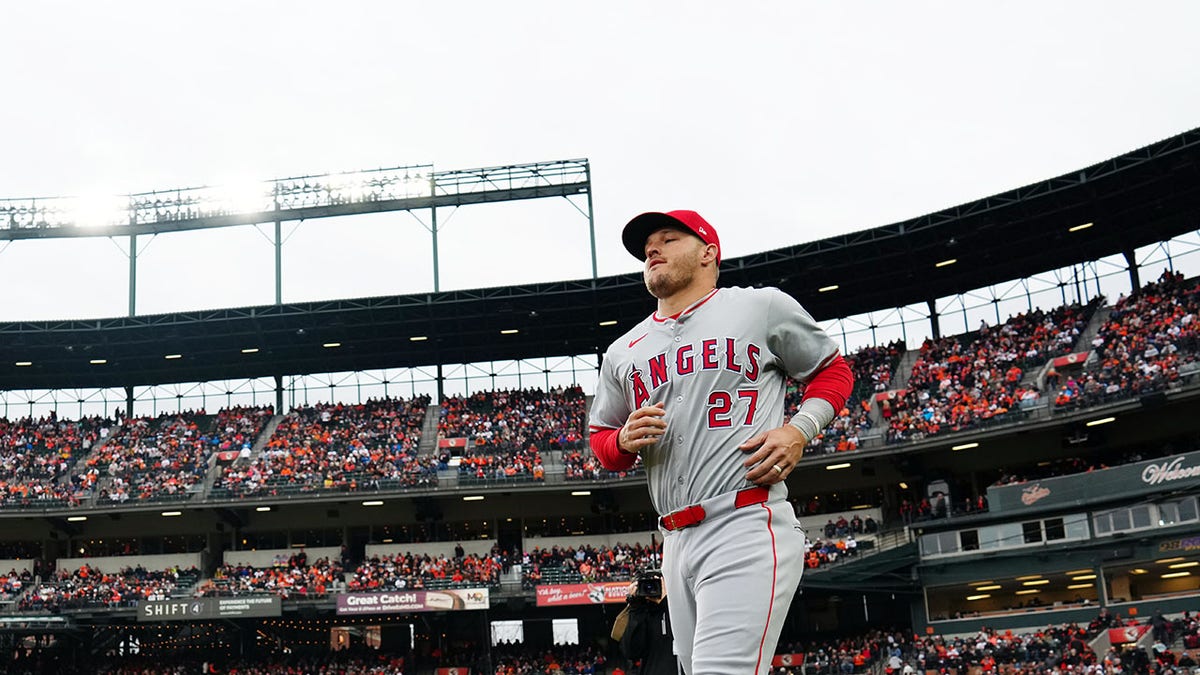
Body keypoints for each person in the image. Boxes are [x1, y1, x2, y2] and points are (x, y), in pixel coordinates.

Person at [590, 210, 854, 675]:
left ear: (709, 253)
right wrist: (624, 438)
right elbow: (602, 442)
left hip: (744, 520)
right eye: (647, 246)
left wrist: (799, 429)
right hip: (673, 539)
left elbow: (832, 370)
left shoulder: (759, 307)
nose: (652, 250)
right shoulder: (623, 350)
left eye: (668, 240)